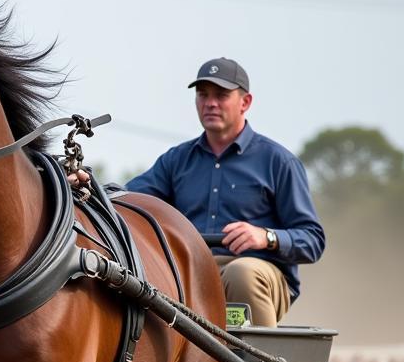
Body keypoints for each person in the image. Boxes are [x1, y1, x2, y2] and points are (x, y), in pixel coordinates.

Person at [120, 58, 325, 328]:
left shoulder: (278, 162)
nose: (210, 103)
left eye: (221, 95)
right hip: (192, 270)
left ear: (245, 102)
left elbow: (313, 240)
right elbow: (128, 198)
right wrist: (87, 184)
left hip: (256, 272)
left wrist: (266, 236)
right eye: (203, 94)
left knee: (241, 273)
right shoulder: (177, 160)